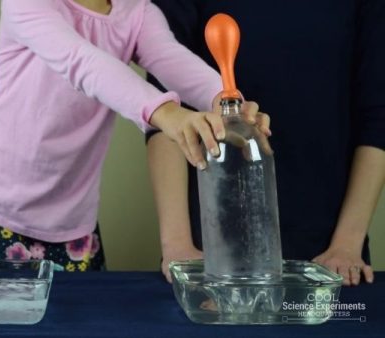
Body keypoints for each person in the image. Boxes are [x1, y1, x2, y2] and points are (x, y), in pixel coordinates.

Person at [0, 0, 271, 271]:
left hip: (73, 231)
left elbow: (172, 58)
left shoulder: (138, 13)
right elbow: (84, 63)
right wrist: (167, 114)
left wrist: (226, 101)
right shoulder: (28, 3)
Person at [147, 0, 385, 286]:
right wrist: (177, 244)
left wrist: (347, 243)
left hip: (331, 251)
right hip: (212, 251)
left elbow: (377, 116)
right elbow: (164, 110)